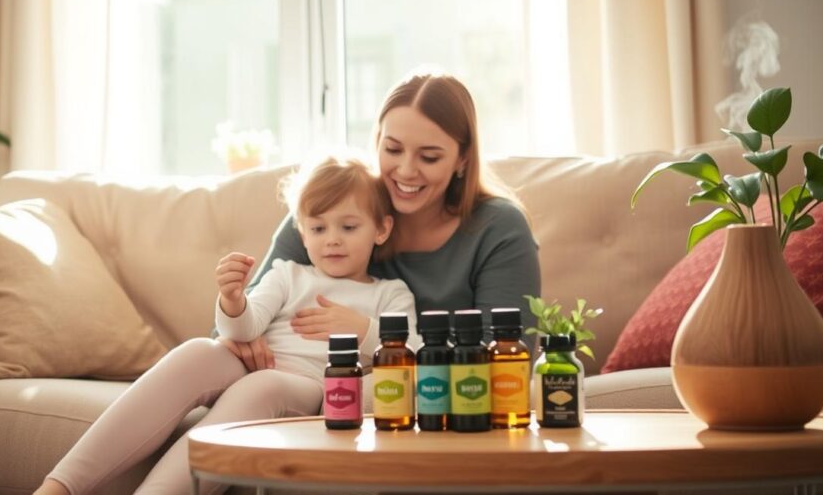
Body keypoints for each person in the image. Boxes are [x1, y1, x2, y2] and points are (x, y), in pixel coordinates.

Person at [34, 155, 418, 495]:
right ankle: (59, 486)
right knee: (199, 350)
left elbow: (415, 351)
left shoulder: (389, 293)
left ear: (380, 229)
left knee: (262, 385)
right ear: (302, 232)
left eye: (348, 227)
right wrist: (233, 301)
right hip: (251, 365)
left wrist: (363, 329)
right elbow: (244, 329)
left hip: (308, 384)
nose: (332, 240)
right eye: (318, 229)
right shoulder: (288, 274)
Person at [223, 70, 541, 372]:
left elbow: (507, 361)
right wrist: (252, 339)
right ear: (376, 142)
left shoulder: (499, 228)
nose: (405, 170)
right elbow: (235, 315)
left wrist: (372, 335)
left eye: (429, 157)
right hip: (298, 383)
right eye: (392, 149)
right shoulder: (333, 212)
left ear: (462, 159)